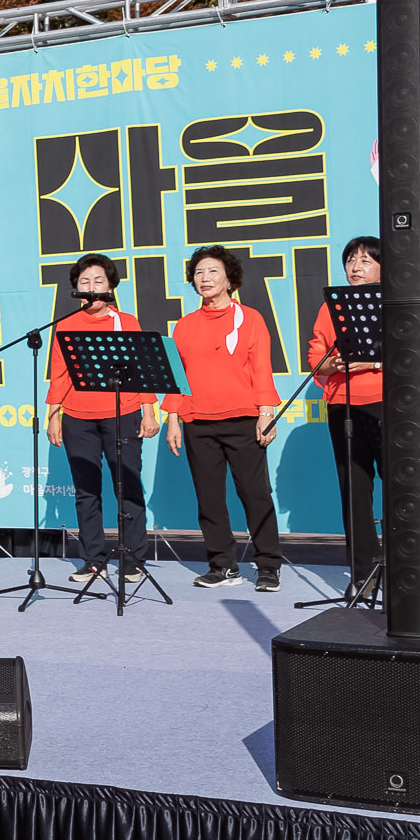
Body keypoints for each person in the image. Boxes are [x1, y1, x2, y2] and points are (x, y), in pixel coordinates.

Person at [160, 247, 283, 592]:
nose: (205, 279)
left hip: (242, 420)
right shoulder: (184, 326)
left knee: (255, 493)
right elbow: (176, 377)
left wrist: (266, 413)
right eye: (199, 273)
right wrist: (172, 418)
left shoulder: (250, 318)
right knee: (209, 498)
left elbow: (261, 369)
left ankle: (269, 565)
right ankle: (222, 566)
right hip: (197, 422)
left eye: (212, 271)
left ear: (230, 278)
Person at [46, 253, 161, 585]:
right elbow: (59, 375)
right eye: (84, 282)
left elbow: (143, 372)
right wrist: (55, 417)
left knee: (127, 487)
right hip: (78, 418)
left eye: (98, 281)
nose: (91, 287)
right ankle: (94, 560)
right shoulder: (66, 325)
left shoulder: (126, 322)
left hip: (122, 414)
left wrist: (149, 411)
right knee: (86, 491)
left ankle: (133, 559)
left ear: (110, 286)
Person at [307, 236, 386, 587]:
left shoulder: (397, 301)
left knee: (400, 488)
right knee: (354, 490)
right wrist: (332, 364)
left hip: (387, 403)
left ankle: (404, 566)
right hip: (342, 404)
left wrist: (371, 362)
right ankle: (363, 571)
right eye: (351, 260)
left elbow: (412, 352)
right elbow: (315, 358)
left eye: (366, 260)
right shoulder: (332, 306)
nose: (356, 266)